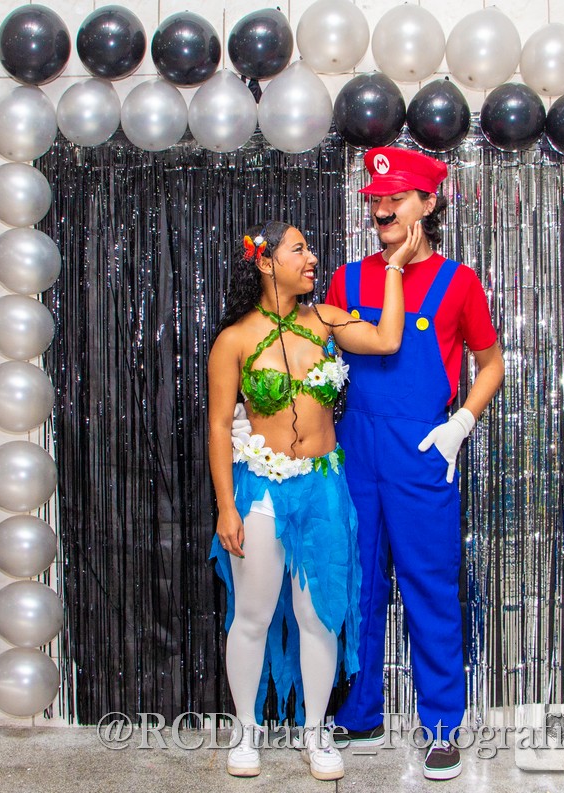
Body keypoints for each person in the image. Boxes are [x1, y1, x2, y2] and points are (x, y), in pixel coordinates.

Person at [207, 219, 422, 780]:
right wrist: (226, 506)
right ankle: (246, 731)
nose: (311, 259)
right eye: (298, 249)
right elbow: (217, 426)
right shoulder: (235, 340)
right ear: (265, 262)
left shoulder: (326, 320)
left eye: (309, 249)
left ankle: (315, 731)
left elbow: (388, 340)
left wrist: (394, 269)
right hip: (259, 489)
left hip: (323, 487)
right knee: (251, 615)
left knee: (320, 616)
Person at [324, 147, 504, 781]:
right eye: (376, 199)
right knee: (358, 586)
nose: (383, 208)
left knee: (429, 586)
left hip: (422, 452)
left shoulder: (460, 282)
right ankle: (361, 711)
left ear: (428, 204)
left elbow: (491, 364)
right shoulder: (346, 279)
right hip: (355, 448)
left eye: (396, 198)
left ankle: (443, 727)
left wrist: (460, 425)